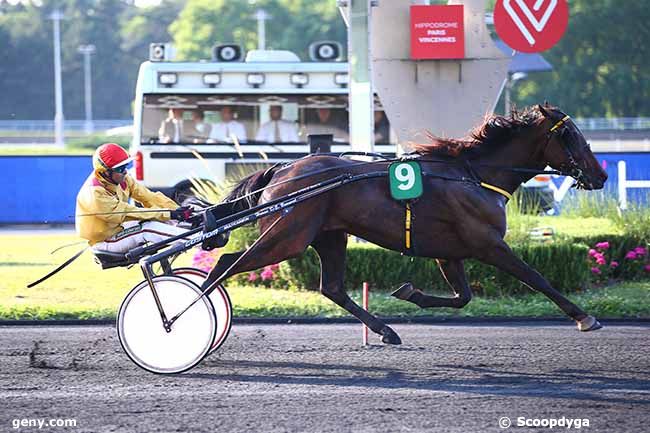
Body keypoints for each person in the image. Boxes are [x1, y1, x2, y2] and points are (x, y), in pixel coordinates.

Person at [76, 143, 194, 254]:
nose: (125, 172)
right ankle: (195, 239)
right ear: (105, 172)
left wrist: (178, 211)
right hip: (104, 242)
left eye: (125, 166)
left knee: (160, 219)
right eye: (120, 169)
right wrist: (170, 214)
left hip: (118, 229)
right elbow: (130, 212)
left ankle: (192, 228)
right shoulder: (94, 193)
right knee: (147, 228)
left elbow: (149, 197)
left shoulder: (123, 179)